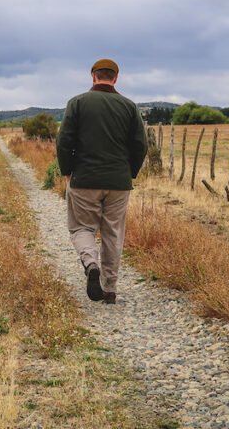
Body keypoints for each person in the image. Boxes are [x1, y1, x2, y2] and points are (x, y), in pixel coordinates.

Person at [56, 58, 147, 304]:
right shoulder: (129, 106)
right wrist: (130, 172)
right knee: (113, 232)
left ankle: (91, 264)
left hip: (84, 178)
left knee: (81, 228)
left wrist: (67, 170)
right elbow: (140, 145)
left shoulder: (77, 103)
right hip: (119, 181)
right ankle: (110, 288)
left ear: (93, 76)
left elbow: (64, 140)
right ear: (116, 78)